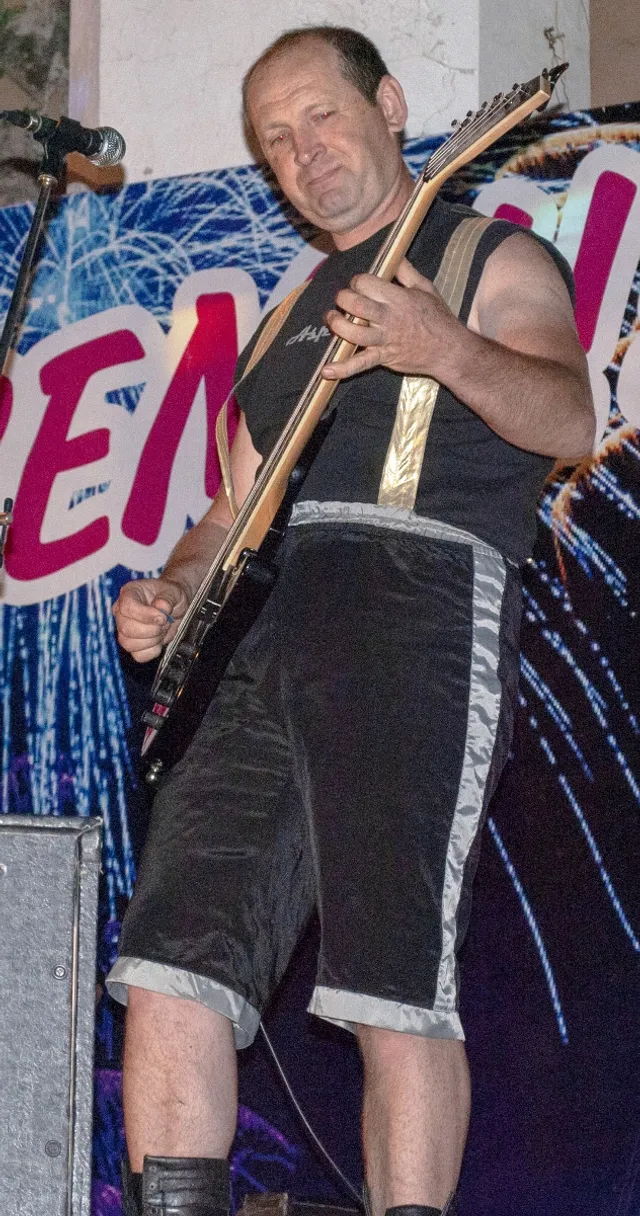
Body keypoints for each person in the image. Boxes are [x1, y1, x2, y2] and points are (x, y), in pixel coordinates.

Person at [107, 25, 595, 1216]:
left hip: (417, 605)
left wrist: (445, 346)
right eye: (275, 142)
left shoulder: (490, 257)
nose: (302, 154)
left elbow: (569, 421)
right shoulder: (287, 320)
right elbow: (228, 509)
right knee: (169, 964)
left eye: (319, 116)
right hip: (275, 635)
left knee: (389, 982)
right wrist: (174, 588)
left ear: (384, 102)